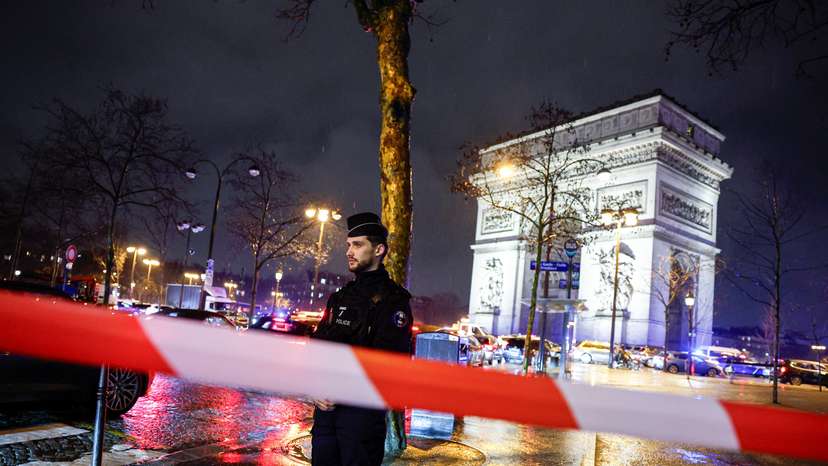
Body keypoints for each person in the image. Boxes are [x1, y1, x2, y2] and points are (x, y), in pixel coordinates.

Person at [309, 212, 413, 466]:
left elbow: (390, 366)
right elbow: (317, 348)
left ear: (379, 250)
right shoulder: (339, 297)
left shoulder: (394, 302)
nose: (349, 252)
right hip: (326, 415)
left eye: (357, 245)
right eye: (348, 245)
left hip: (361, 421)